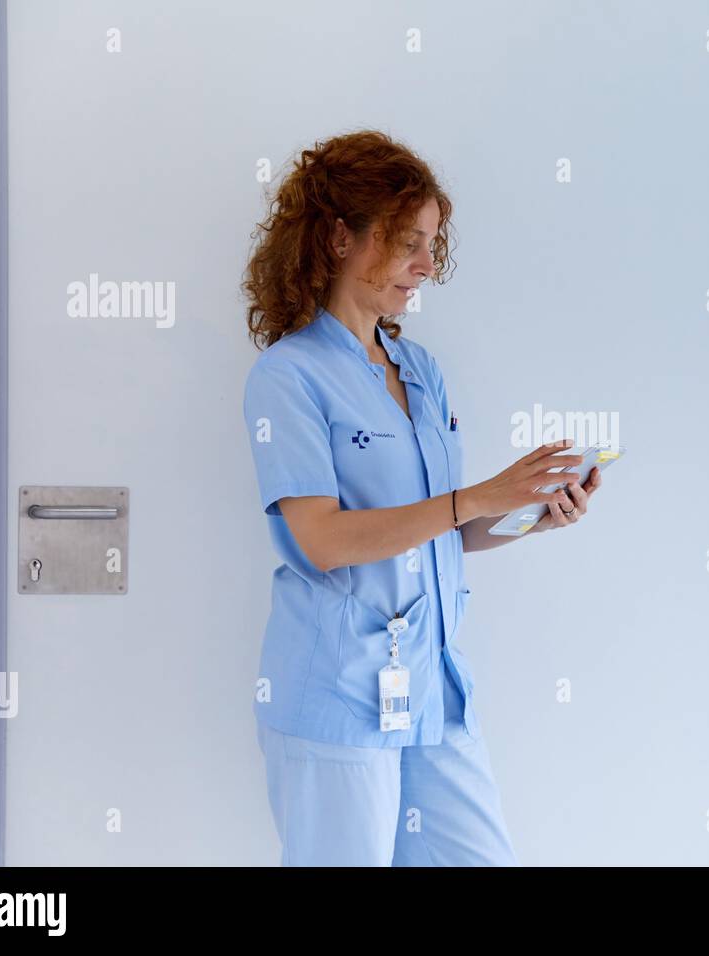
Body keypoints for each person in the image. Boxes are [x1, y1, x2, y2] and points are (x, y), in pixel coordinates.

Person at [240, 130, 602, 866]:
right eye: (407, 242)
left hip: (430, 691)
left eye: (432, 244)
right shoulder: (289, 377)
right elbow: (323, 539)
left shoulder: (420, 371)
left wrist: (529, 510)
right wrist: (473, 499)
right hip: (338, 699)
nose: (426, 266)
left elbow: (445, 530)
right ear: (341, 238)